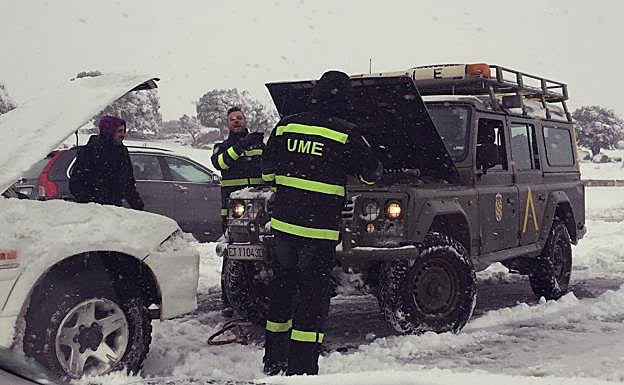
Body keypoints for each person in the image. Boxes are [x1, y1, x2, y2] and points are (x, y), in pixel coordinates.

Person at [261, 71, 383, 376]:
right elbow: (371, 174)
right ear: (344, 98)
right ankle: (301, 369)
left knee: (282, 292)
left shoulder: (287, 125)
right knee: (312, 300)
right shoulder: (346, 133)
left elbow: (266, 173)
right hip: (318, 232)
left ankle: (274, 361)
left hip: (284, 228)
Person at [210, 106, 265, 316]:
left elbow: (271, 168)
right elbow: (220, 163)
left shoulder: (259, 145)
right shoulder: (221, 147)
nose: (236, 121)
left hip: (261, 209)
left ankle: (260, 293)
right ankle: (228, 299)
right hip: (234, 212)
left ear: (245, 120)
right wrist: (241, 146)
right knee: (232, 254)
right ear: (227, 124)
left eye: (239, 118)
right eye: (232, 119)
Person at [69, 115, 144, 210]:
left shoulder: (122, 152)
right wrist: (92, 202)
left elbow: (128, 182)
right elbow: (76, 183)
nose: (123, 135)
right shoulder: (90, 151)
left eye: (124, 131)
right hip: (93, 211)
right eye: (119, 131)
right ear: (109, 132)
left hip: (114, 209)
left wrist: (137, 205)